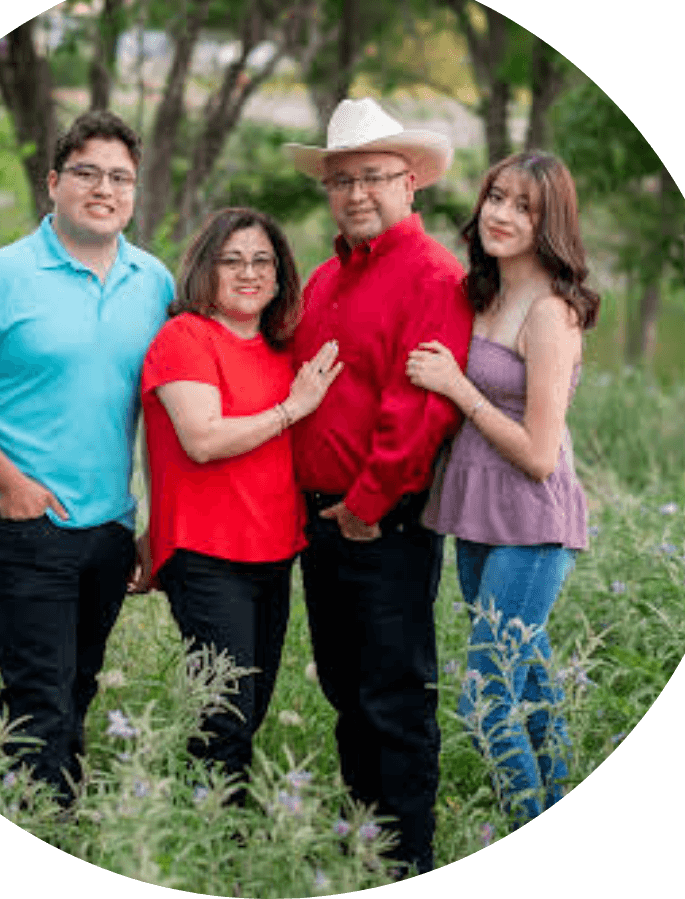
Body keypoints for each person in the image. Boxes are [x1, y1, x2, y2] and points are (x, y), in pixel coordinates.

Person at [0, 110, 175, 807]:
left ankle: (63, 823)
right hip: (22, 526)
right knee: (39, 704)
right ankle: (43, 822)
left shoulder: (155, 282)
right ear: (53, 182)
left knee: (76, 691)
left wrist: (158, 520)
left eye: (120, 177)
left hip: (110, 530)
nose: (104, 188)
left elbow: (170, 412)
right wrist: (10, 483)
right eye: (86, 172)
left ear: (135, 192)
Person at [283, 98, 474, 875]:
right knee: (342, 689)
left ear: (411, 183)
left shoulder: (433, 275)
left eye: (372, 177)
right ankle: (357, 842)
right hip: (316, 521)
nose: (356, 193)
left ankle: (404, 858)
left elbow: (420, 406)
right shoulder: (324, 278)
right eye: (340, 179)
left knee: (391, 695)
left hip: (381, 521)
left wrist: (364, 506)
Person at [406, 150, 600, 826]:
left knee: (485, 698)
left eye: (523, 206)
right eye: (496, 197)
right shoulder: (481, 292)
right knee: (533, 689)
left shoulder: (549, 312)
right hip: (477, 521)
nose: (501, 214)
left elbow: (541, 455)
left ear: (550, 224)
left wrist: (458, 389)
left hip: (532, 526)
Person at [140, 207, 341, 803]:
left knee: (247, 710)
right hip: (205, 551)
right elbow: (201, 439)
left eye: (262, 261)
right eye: (232, 261)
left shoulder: (281, 351)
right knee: (222, 715)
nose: (248, 273)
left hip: (274, 550)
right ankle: (216, 850)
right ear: (207, 269)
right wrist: (291, 409)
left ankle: (220, 840)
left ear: (280, 276)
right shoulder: (185, 338)